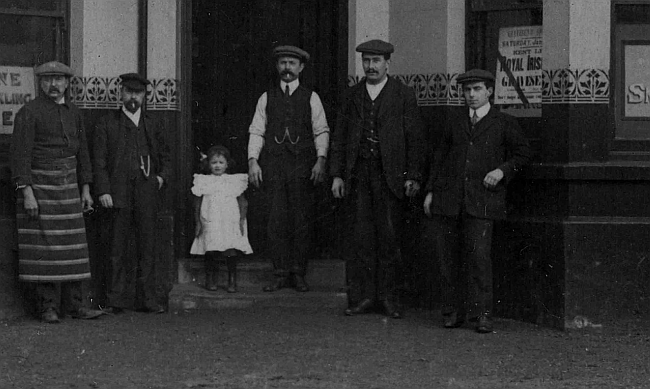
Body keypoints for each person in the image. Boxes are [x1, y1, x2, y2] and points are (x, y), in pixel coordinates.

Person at [423, 69, 531, 333]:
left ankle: (482, 315)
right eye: (467, 90)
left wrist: (502, 171)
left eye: (477, 89)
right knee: (447, 258)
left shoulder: (503, 122)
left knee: (479, 258)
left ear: (490, 91)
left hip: (482, 200)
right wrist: (430, 191)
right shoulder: (454, 121)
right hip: (449, 199)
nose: (471, 95)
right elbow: (439, 158)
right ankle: (451, 312)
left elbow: (523, 154)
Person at [330, 39, 425, 319]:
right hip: (358, 175)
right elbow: (339, 136)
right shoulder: (352, 96)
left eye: (376, 61)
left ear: (388, 63)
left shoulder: (403, 94)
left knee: (389, 238)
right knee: (360, 239)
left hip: (391, 178)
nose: (370, 67)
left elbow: (415, 138)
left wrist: (414, 175)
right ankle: (362, 298)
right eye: (366, 61)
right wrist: (337, 174)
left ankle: (389, 298)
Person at [10, 61, 106, 323]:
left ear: (67, 83)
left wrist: (85, 189)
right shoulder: (28, 112)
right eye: (48, 79)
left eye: (59, 79)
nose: (53, 85)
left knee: (73, 249)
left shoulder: (74, 113)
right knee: (45, 250)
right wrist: (27, 192)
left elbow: (83, 152)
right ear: (40, 83)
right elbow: (20, 156)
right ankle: (48, 308)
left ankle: (76, 306)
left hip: (69, 188)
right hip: (40, 189)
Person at [247, 45, 330, 293]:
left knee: (301, 219)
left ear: (301, 67)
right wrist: (253, 161)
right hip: (274, 166)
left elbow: (321, 130)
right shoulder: (266, 97)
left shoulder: (311, 97)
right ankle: (280, 272)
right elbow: (256, 130)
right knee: (276, 220)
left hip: (302, 167)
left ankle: (298, 272)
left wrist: (321, 160)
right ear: (277, 67)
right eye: (283, 63)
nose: (287, 68)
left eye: (292, 64)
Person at [93, 73, 171, 314]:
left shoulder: (153, 123)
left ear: (145, 95)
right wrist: (104, 190)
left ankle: (147, 300)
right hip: (118, 193)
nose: (133, 97)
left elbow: (168, 157)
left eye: (137, 93)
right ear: (121, 93)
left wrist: (160, 177)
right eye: (129, 92)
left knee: (147, 247)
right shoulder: (107, 123)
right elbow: (99, 161)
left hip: (146, 192)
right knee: (116, 247)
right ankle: (115, 299)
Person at [190, 145, 252, 292]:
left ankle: (232, 280)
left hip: (229, 220)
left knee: (230, 249)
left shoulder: (234, 181)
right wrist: (198, 222)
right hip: (211, 219)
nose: (217, 166)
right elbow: (197, 203)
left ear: (227, 164)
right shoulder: (203, 181)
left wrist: (241, 220)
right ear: (208, 164)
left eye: (221, 162)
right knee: (211, 248)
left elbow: (242, 202)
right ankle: (210, 278)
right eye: (214, 162)